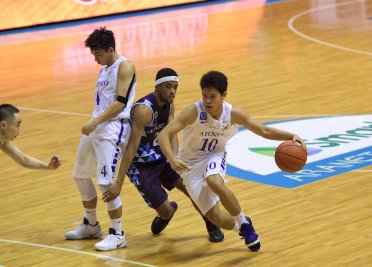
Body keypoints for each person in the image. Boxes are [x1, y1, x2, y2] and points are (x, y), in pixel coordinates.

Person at [158, 70, 307, 251]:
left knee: (214, 180)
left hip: (214, 155)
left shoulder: (234, 114)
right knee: (216, 217)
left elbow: (264, 131)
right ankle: (241, 227)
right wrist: (172, 158)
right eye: (205, 96)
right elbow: (164, 134)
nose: (207, 101)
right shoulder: (194, 111)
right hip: (188, 165)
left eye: (213, 97)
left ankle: (244, 222)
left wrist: (291, 136)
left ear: (224, 95)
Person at [102, 68, 224, 242]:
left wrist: (174, 158)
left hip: (162, 156)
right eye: (168, 87)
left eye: (175, 87)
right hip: (140, 166)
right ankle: (167, 214)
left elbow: (171, 133)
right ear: (157, 87)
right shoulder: (144, 111)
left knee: (192, 189)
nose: (173, 91)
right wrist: (118, 182)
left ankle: (211, 224)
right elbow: (130, 148)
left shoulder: (169, 104)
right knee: (165, 210)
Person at [64, 27, 136, 251]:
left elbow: (121, 102)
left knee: (105, 182)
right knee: (80, 175)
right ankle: (91, 225)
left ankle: (118, 233)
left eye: (98, 54)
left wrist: (96, 122)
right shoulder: (105, 69)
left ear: (111, 49)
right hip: (96, 125)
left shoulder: (125, 65)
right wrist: (94, 122)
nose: (95, 59)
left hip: (113, 128)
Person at [0, 104, 61, 170]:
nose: (19, 130)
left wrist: (47, 167)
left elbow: (24, 160)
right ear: (3, 125)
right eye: (17, 125)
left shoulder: (3, 140)